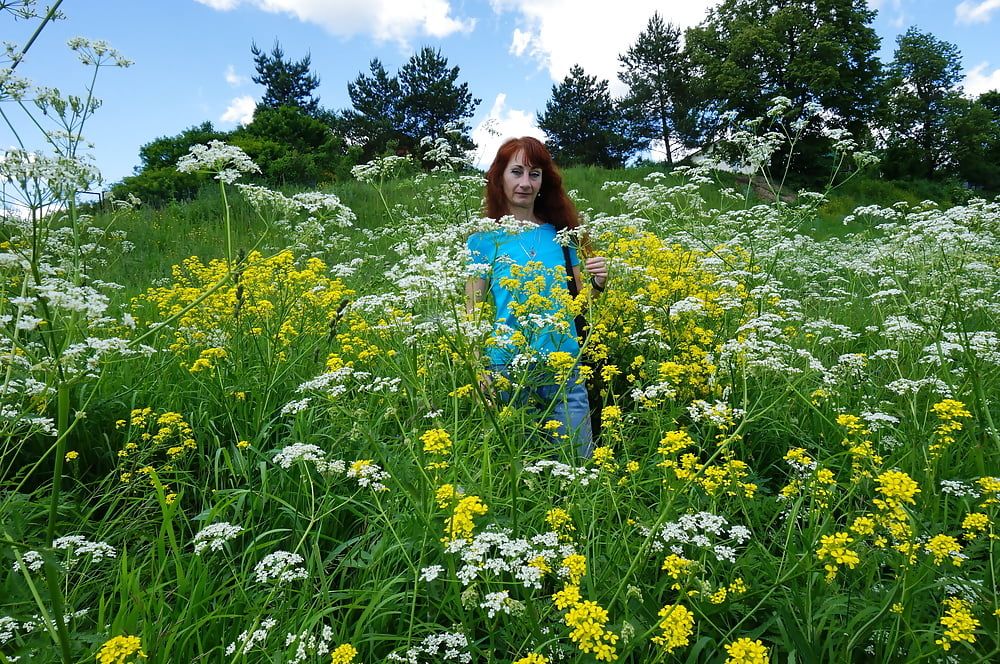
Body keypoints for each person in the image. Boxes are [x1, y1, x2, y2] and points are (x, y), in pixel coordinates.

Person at [465, 137, 608, 458]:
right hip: (506, 370)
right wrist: (478, 369)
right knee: (519, 475)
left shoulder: (562, 236)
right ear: (500, 178)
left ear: (544, 181)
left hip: (563, 369)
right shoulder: (482, 241)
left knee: (578, 469)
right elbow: (472, 312)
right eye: (516, 172)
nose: (525, 183)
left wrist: (598, 283)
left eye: (535, 174)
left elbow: (579, 304)